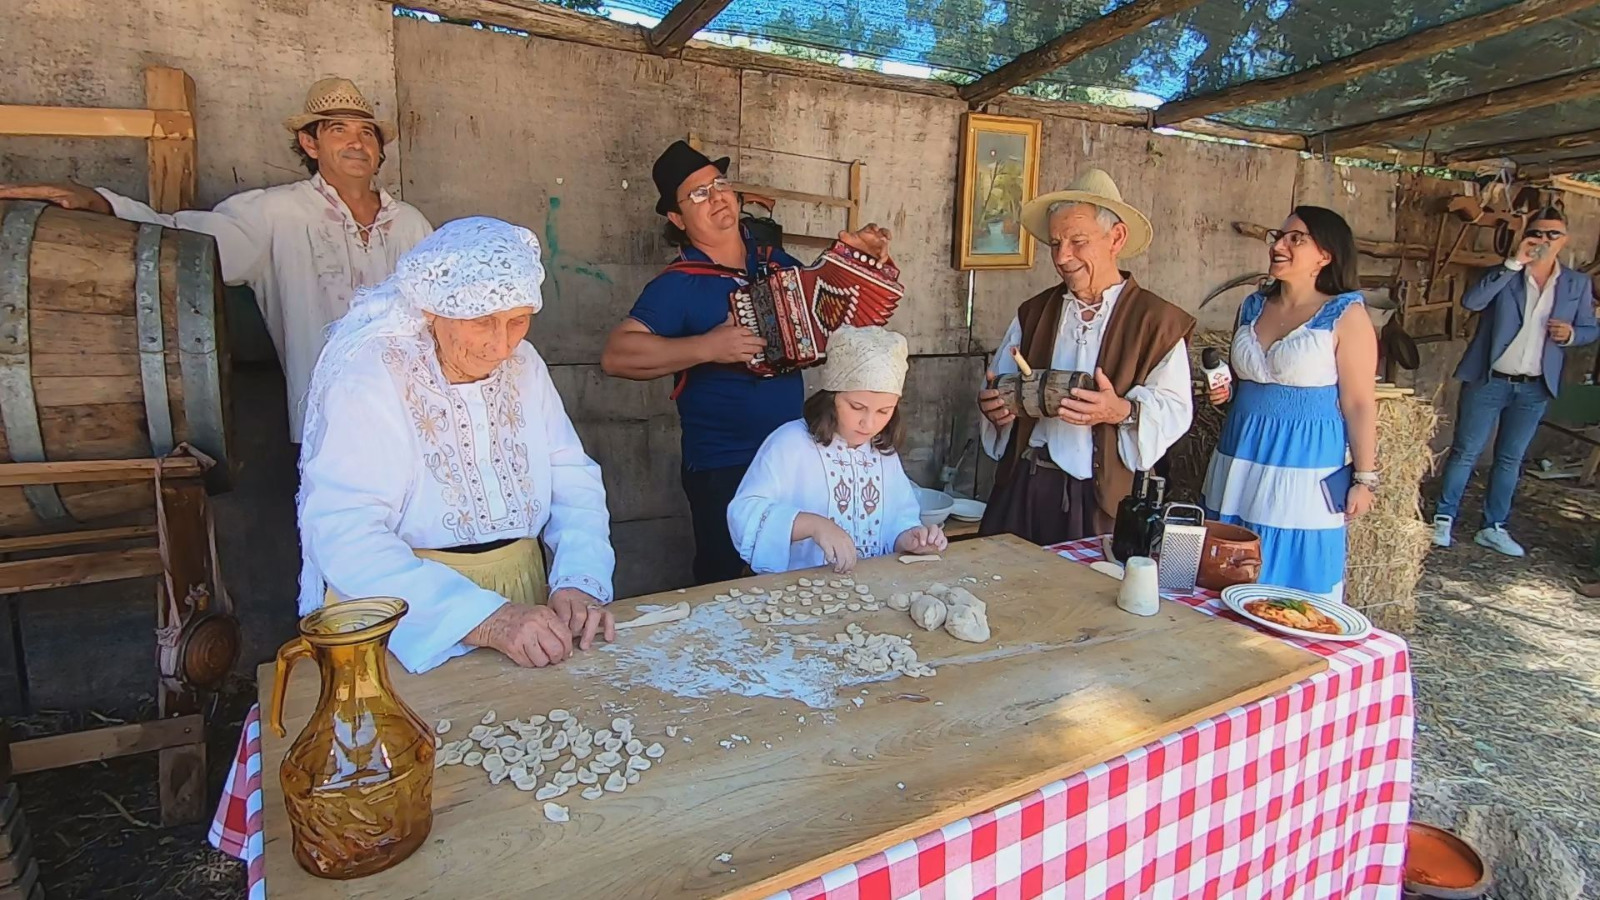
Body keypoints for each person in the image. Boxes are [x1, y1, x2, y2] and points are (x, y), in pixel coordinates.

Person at [0, 77, 432, 442]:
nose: (357, 143)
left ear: (379, 150)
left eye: (367, 133)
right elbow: (185, 241)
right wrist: (102, 203)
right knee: (346, 536)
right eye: (338, 129)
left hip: (421, 416)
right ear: (310, 143)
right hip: (333, 424)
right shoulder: (275, 214)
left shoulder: (411, 223)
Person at [297, 217, 615, 675]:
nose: (501, 345)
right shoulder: (374, 375)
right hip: (408, 614)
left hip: (522, 596)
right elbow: (345, 528)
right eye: (483, 321)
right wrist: (486, 620)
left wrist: (579, 580)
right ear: (432, 310)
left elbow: (571, 476)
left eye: (518, 321)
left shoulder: (524, 364)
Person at [601, 140, 892, 585]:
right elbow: (617, 355)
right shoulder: (678, 285)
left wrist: (858, 261)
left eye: (720, 184)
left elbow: (832, 313)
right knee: (728, 579)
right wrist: (708, 347)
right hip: (724, 464)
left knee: (798, 570)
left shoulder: (777, 263)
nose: (716, 196)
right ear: (677, 219)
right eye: (698, 193)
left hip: (795, 455)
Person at [976, 168, 1194, 545]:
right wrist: (997, 409)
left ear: (1116, 237)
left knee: (1087, 600)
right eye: (1055, 243)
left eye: (1078, 241)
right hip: (1026, 490)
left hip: (1100, 503)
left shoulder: (1157, 322)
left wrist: (1120, 411)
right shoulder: (1034, 312)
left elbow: (1175, 410)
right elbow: (999, 385)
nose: (1063, 256)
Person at [1203, 207, 1378, 601]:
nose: (1279, 245)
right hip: (1240, 452)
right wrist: (1223, 393)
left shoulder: (1346, 316)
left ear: (1326, 255)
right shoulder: (1251, 307)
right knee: (1227, 562)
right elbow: (1241, 383)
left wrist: (1365, 478)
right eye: (1277, 237)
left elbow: (1359, 403)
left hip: (1303, 463)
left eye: (1295, 238)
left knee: (1289, 583)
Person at [1432, 207, 1599, 556]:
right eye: (1537, 232)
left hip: (1535, 385)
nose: (1544, 239)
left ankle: (1493, 526)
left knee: (1510, 458)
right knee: (1466, 451)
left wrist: (1571, 335)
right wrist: (1513, 263)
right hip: (1489, 379)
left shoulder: (1576, 283)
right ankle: (1442, 519)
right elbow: (1471, 301)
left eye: (1553, 234)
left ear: (1564, 240)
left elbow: (1590, 328)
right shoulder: (1505, 273)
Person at [728, 326, 946, 574]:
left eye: (884, 411)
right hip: (799, 595)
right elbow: (743, 516)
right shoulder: (790, 444)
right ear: (831, 398)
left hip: (871, 590)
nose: (869, 423)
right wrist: (813, 524)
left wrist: (910, 539)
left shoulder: (882, 453)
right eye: (856, 406)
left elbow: (897, 521)